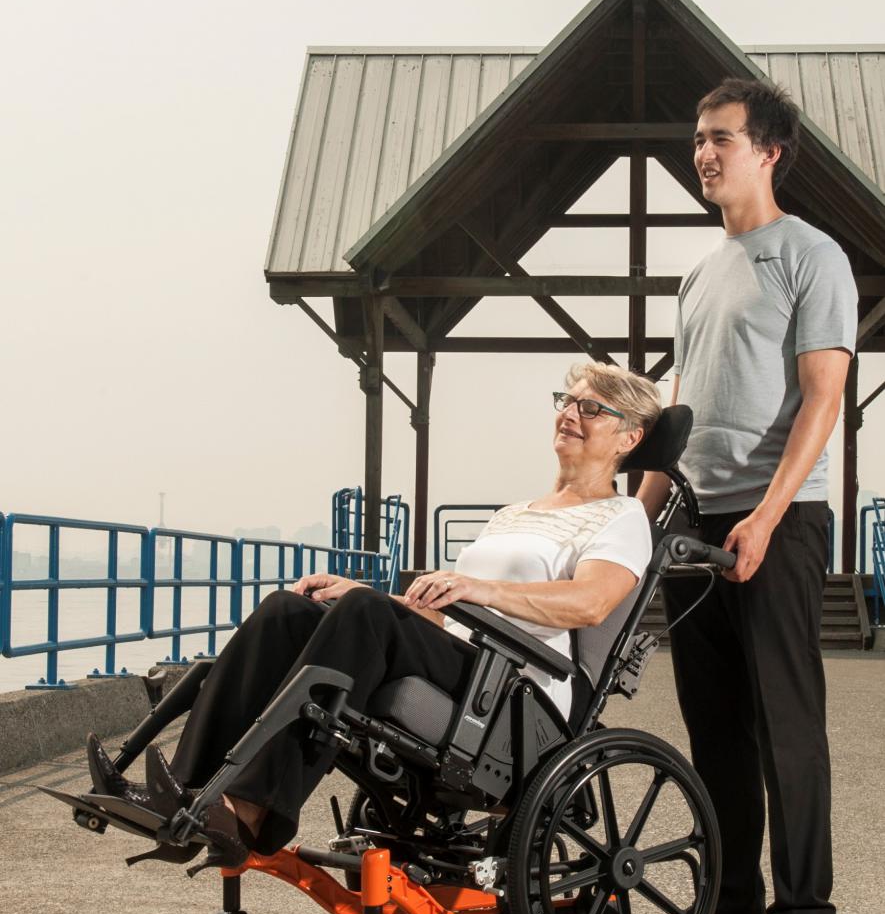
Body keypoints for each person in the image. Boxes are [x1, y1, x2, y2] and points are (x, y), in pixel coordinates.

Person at [87, 361, 661, 870]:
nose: (570, 412)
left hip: (517, 693)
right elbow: (437, 617)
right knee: (291, 610)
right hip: (462, 660)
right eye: (566, 401)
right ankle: (189, 791)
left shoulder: (621, 517)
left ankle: (251, 809)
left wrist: (474, 587)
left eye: (592, 407)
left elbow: (591, 603)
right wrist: (365, 592)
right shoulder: (515, 513)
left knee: (361, 612)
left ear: (628, 437)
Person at [636, 78, 858, 914]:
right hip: (696, 520)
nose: (703, 152)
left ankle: (804, 911)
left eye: (721, 137)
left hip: (779, 518)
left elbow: (821, 396)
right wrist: (632, 519)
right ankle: (730, 913)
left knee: (785, 725)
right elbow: (681, 412)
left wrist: (766, 517)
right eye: (698, 137)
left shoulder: (811, 256)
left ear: (766, 151)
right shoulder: (699, 273)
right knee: (713, 726)